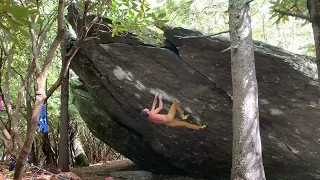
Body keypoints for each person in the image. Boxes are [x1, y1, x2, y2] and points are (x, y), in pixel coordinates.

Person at [141, 93, 206, 130]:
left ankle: (200, 127)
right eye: (145, 109)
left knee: (185, 124)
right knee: (174, 104)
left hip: (167, 123)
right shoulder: (152, 113)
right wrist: (160, 99)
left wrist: (155, 97)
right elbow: (160, 107)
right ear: (147, 112)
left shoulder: (150, 117)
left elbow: (154, 105)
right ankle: (183, 115)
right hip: (168, 118)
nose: (146, 108)